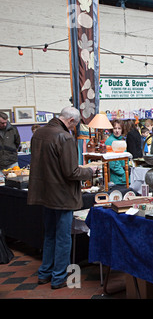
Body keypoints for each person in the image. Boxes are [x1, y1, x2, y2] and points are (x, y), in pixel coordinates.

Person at [27, 106, 95, 289]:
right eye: (75, 126)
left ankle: (44, 274)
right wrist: (90, 171)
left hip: (45, 194)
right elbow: (71, 172)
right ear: (71, 121)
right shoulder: (64, 137)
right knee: (64, 238)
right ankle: (58, 278)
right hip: (62, 196)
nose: (73, 129)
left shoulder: (39, 134)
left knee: (49, 235)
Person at [104, 119, 127, 185]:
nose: (117, 131)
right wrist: (123, 173)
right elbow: (112, 162)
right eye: (115, 128)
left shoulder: (121, 140)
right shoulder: (110, 141)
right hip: (116, 178)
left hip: (122, 177)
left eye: (119, 128)